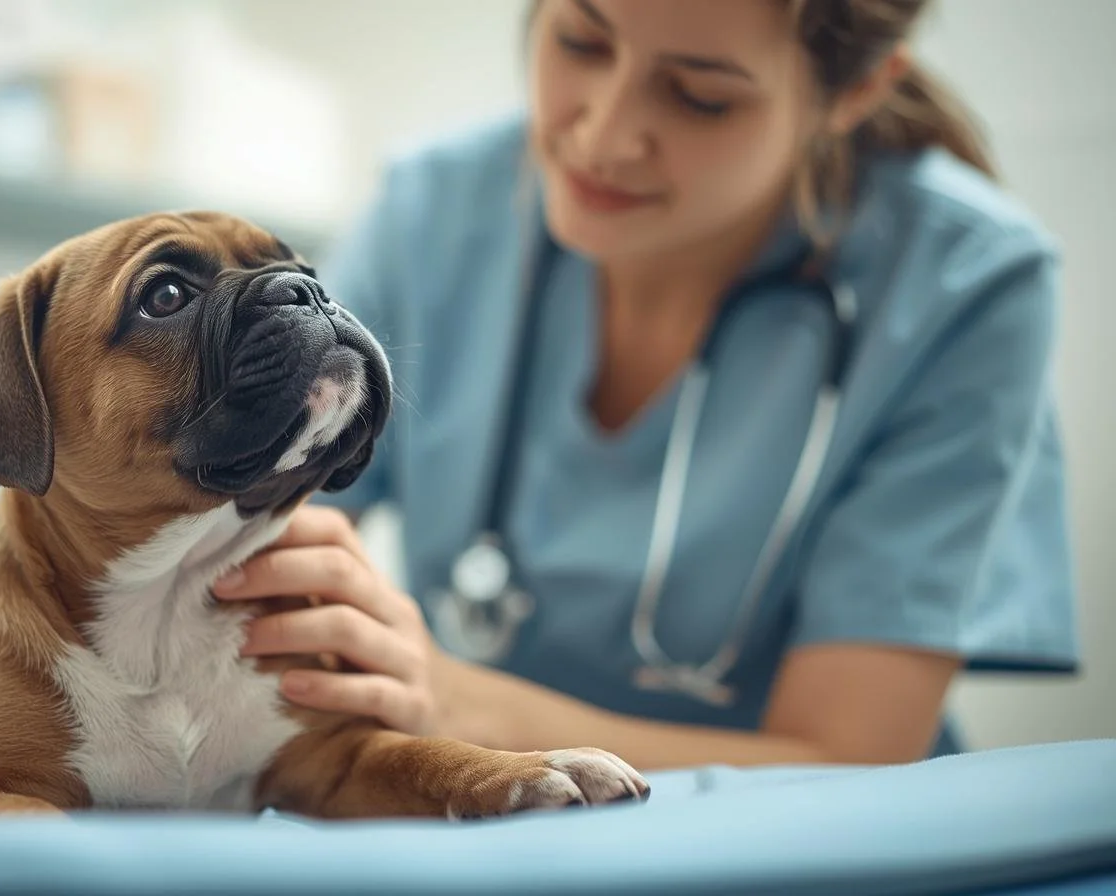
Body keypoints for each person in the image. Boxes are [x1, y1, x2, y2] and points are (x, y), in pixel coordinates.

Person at [210, 0, 1081, 770]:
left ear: (851, 91)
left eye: (701, 96)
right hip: (502, 834)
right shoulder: (433, 212)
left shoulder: (966, 284)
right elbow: (238, 538)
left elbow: (848, 756)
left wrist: (455, 705)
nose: (603, 135)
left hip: (805, 858)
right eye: (584, 41)